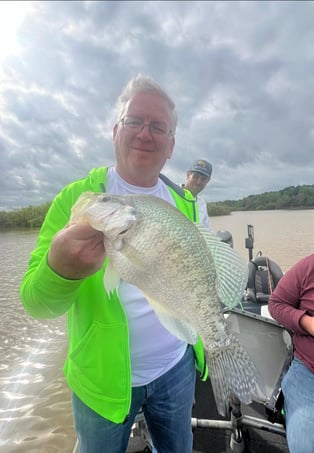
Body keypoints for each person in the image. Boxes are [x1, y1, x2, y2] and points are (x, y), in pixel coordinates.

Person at [20, 75, 207, 453]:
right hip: (101, 382)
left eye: (159, 127)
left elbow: (202, 278)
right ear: (115, 129)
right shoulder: (78, 198)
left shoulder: (190, 205)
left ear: (171, 145)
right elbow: (37, 304)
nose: (145, 133)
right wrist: (60, 268)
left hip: (176, 369)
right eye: (134, 121)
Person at [268, 253, 314, 453]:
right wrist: (308, 323)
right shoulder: (310, 267)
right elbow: (276, 304)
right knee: (305, 444)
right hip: (309, 374)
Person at [183, 159, 212, 230]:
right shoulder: (169, 192)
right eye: (195, 176)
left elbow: (208, 231)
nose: (198, 182)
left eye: (203, 179)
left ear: (207, 181)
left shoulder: (202, 204)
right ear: (188, 175)